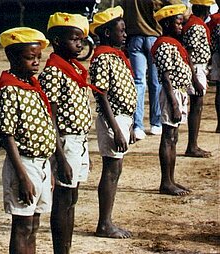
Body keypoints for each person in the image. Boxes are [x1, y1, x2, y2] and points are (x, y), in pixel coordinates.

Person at [0, 27, 57, 254]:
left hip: (40, 164)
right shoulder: (9, 90)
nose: (36, 62)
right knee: (22, 226)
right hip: (23, 164)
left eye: (39, 57)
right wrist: (22, 176)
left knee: (34, 225)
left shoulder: (32, 86)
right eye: (30, 58)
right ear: (12, 57)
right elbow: (6, 134)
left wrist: (48, 169)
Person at [38, 12, 94, 253]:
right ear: (58, 42)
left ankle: (66, 248)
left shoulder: (73, 68)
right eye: (74, 39)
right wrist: (59, 156)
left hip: (79, 141)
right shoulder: (53, 72)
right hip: (66, 142)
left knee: (72, 198)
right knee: (63, 198)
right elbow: (50, 116)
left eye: (81, 39)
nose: (80, 44)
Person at [89, 6, 137, 238]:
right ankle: (104, 223)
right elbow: (101, 94)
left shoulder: (116, 55)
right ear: (107, 33)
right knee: (111, 169)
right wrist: (116, 128)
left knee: (115, 169)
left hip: (121, 119)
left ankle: (107, 221)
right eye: (121, 30)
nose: (125, 34)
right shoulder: (103, 56)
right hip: (113, 120)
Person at [151, 4, 192, 195]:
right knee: (168, 137)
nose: (180, 27)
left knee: (174, 137)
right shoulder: (164, 44)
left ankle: (171, 179)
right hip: (171, 93)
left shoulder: (172, 42)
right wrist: (174, 103)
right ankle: (165, 182)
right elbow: (166, 78)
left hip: (179, 92)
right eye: (177, 23)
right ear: (167, 23)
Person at [122, 0, 164, 140]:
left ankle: (138, 126)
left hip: (134, 37)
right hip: (155, 38)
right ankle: (156, 123)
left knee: (139, 83)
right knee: (155, 82)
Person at [182, 0, 214, 157]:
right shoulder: (196, 26)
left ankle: (193, 144)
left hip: (198, 68)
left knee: (197, 106)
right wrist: (195, 79)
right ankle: (192, 146)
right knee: (196, 106)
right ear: (203, 9)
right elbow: (188, 52)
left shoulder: (195, 23)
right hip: (196, 67)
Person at [207, 0, 220, 132]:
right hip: (217, 56)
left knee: (219, 90)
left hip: (215, 56)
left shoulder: (212, 20)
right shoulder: (216, 20)